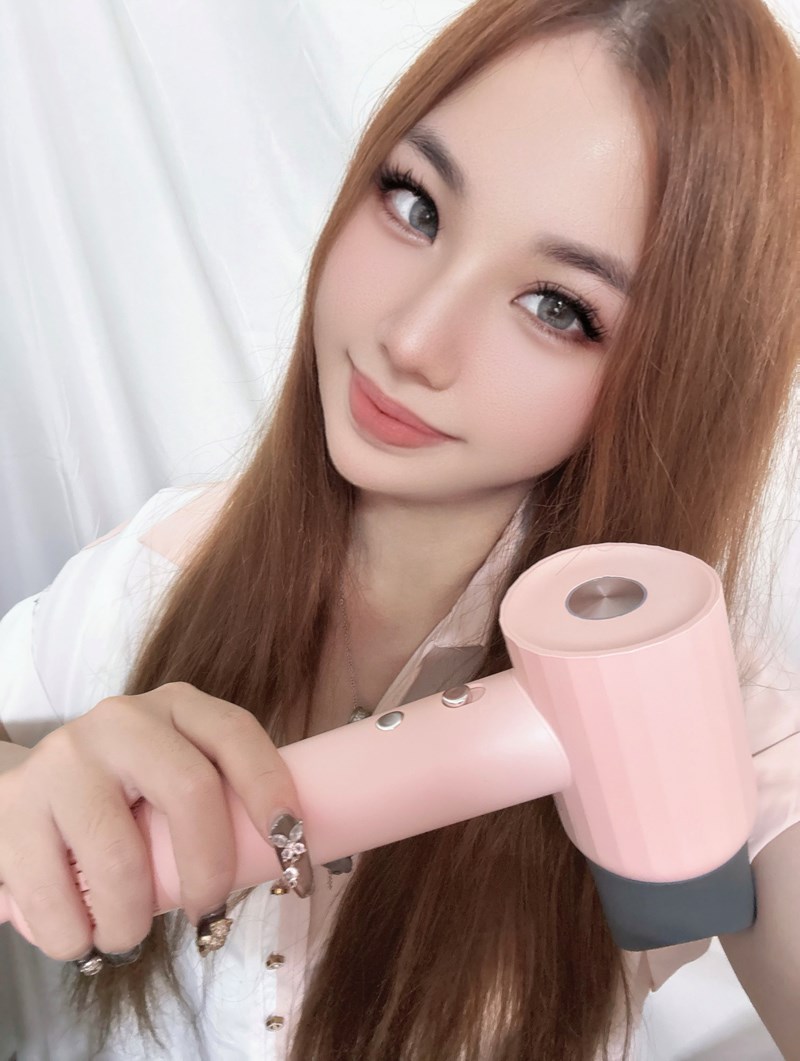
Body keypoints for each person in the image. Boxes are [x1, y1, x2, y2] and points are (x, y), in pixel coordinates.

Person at [0, 0, 798, 1057]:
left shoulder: (707, 705)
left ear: (673, 382)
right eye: (416, 204)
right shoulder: (148, 575)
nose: (413, 338)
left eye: (557, 307)